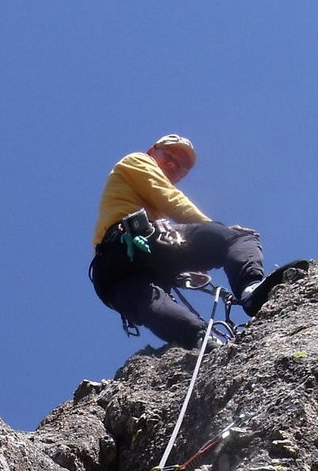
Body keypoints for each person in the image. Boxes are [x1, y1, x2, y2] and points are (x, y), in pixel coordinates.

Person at [90, 135, 266, 348]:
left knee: (150, 300)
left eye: (181, 166)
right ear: (151, 151)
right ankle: (251, 289)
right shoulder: (137, 160)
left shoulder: (135, 191)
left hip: (108, 274)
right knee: (237, 239)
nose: (173, 164)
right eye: (169, 155)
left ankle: (201, 341)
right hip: (133, 240)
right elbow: (171, 199)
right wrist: (217, 230)